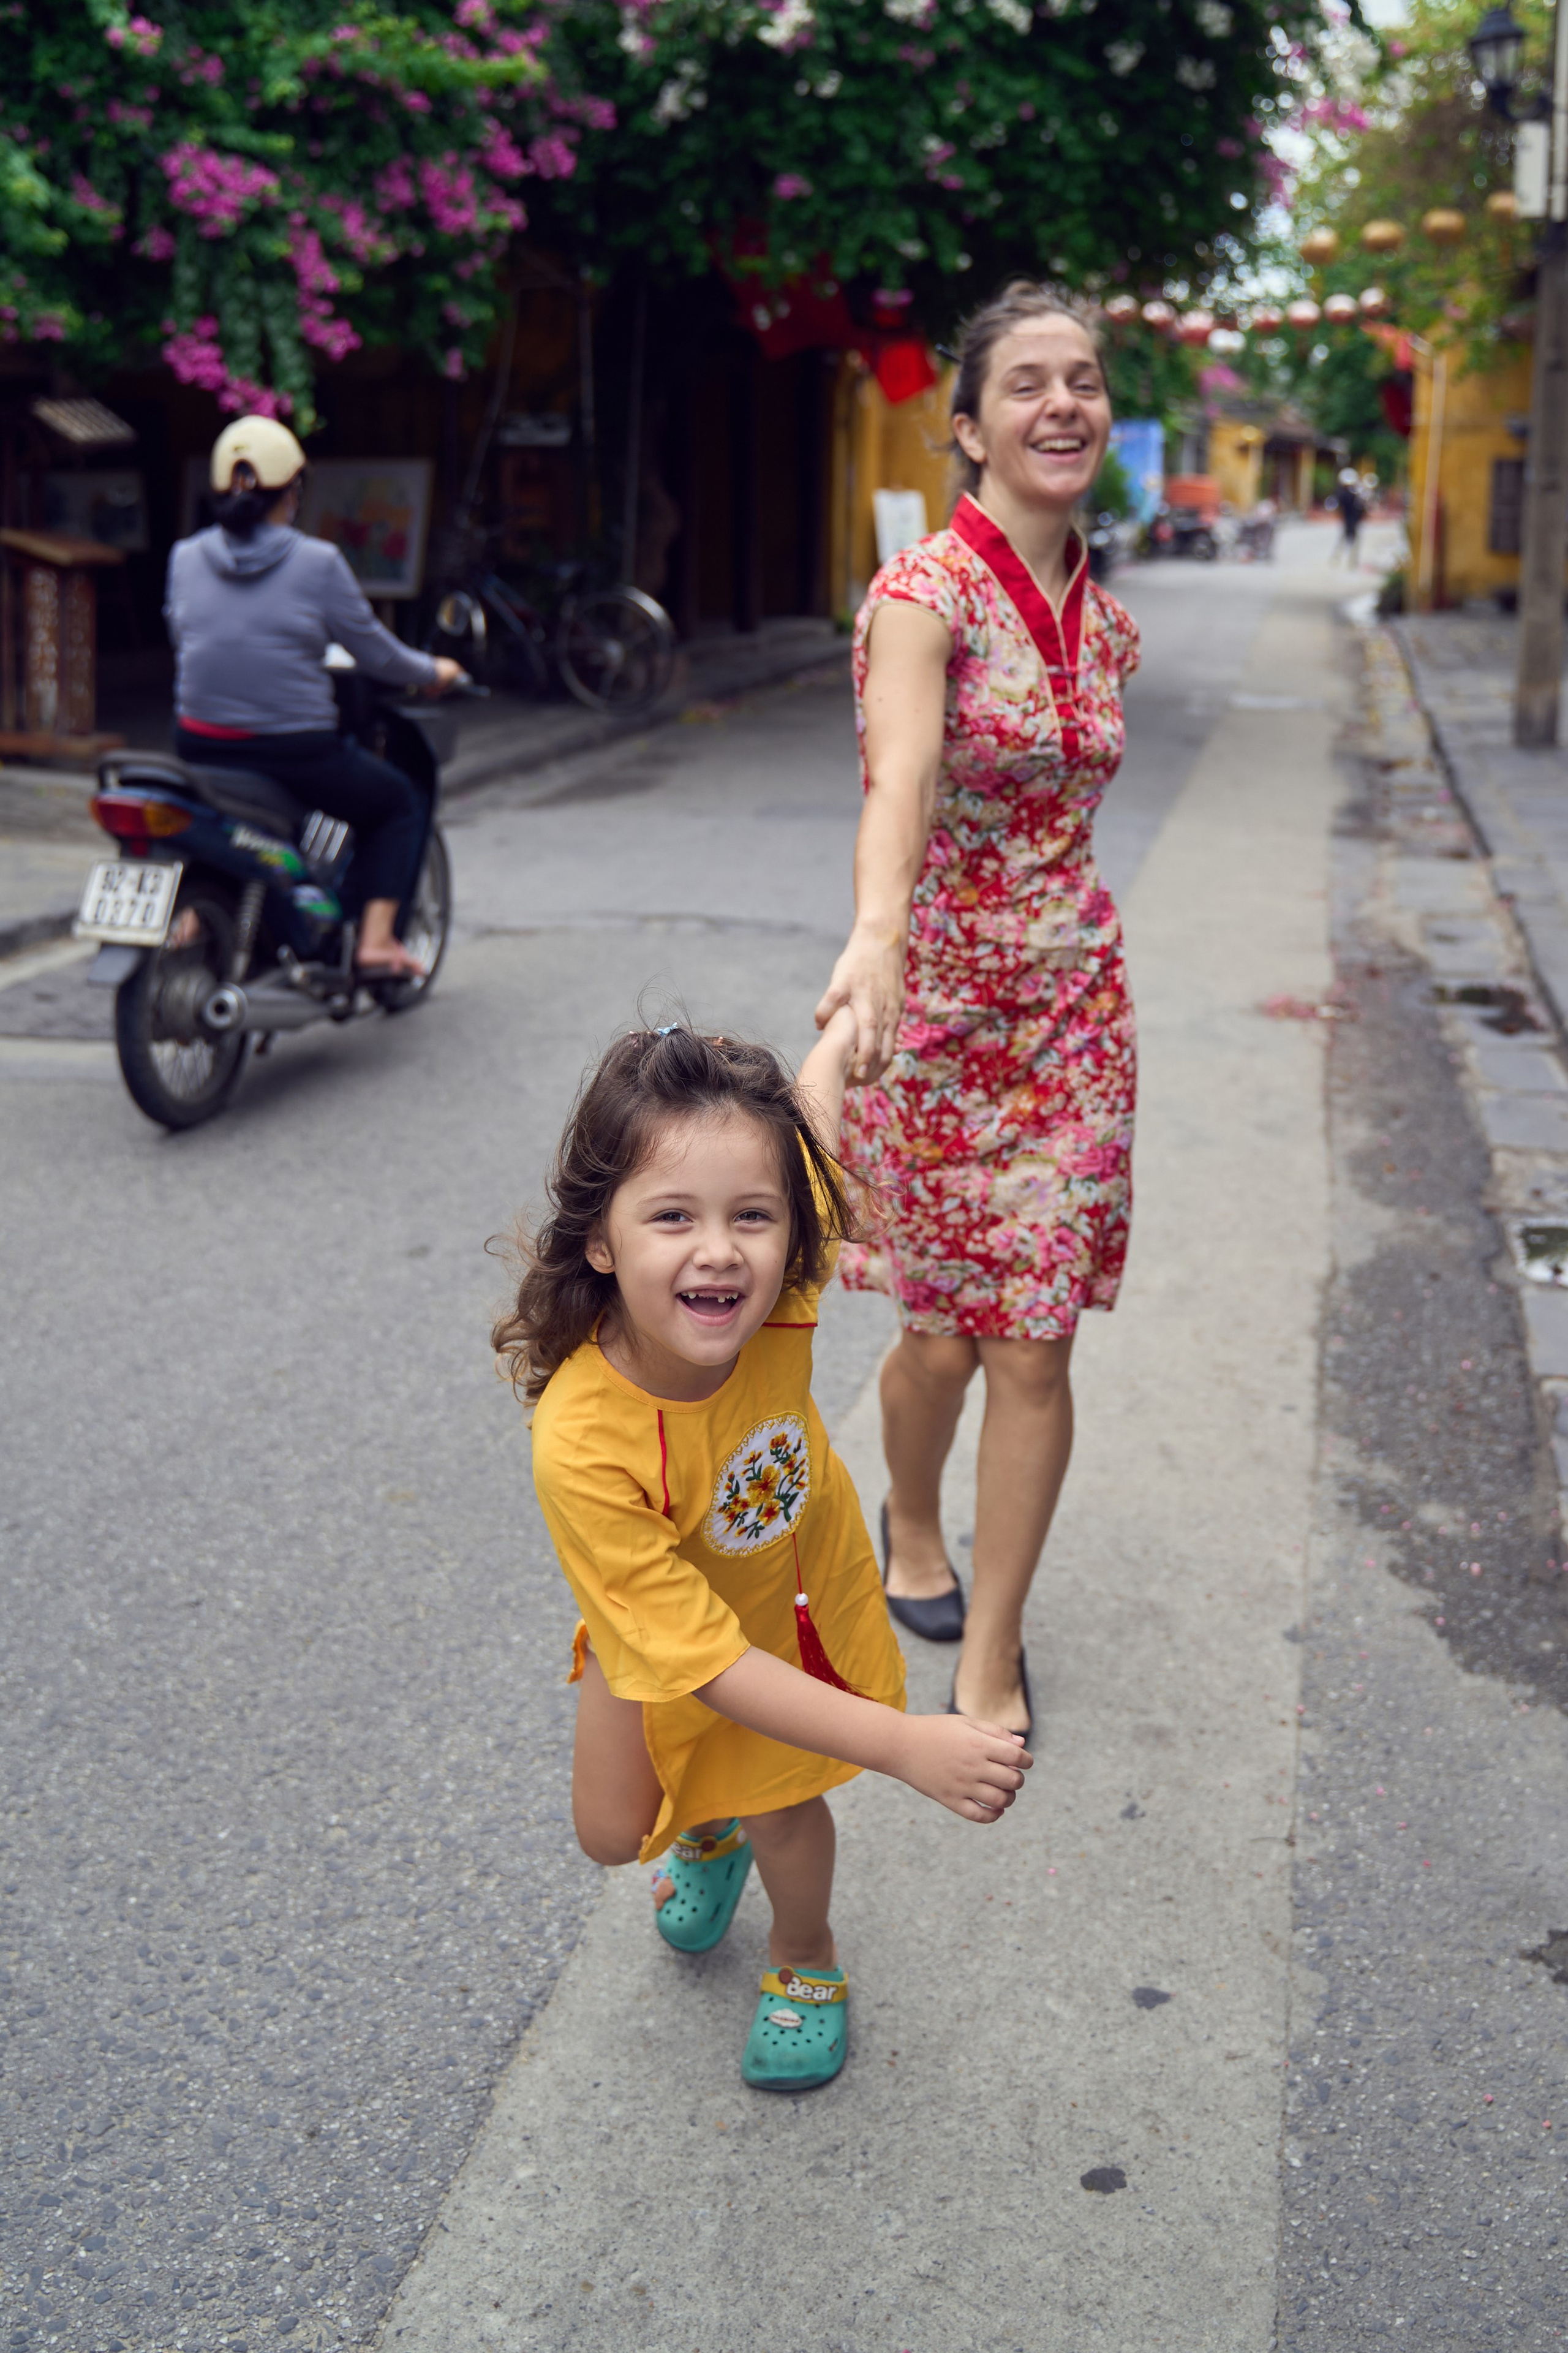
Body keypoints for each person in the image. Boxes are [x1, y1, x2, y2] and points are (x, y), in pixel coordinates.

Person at [494, 1018, 1031, 2090]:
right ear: (601, 1240)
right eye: (672, 1217)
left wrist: (834, 1044)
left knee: (784, 1805)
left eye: (753, 1216)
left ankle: (805, 1959)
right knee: (610, 1833)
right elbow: (696, 1659)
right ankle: (708, 1829)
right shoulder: (582, 1441)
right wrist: (905, 1744)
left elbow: (815, 1137)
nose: (720, 1248)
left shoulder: (779, 1291)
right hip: (667, 1634)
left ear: (789, 1234)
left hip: (788, 1609)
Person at [814, 281, 1141, 1741]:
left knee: (1034, 1342)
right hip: (933, 1018)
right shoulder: (919, 600)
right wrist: (874, 940)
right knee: (938, 1342)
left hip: (1070, 1016)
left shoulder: (1107, 623)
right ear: (966, 427)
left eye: (1081, 379)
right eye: (1025, 383)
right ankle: (907, 1512)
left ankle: (990, 1645)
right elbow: (899, 776)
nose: (1059, 402)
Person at [164, 415, 462, 978]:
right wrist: (434, 670)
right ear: (293, 492)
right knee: (398, 802)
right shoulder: (317, 563)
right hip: (293, 751)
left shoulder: (184, 557)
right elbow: (377, 654)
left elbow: (185, 636)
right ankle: (375, 941)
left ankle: (207, 918)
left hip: (199, 745)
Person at [1329, 466, 1365, 568]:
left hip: (1347, 521)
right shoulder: (1353, 495)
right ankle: (1352, 562)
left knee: (1344, 541)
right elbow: (1360, 509)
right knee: (1353, 542)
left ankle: (1338, 559)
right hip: (1352, 521)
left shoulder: (1342, 494)